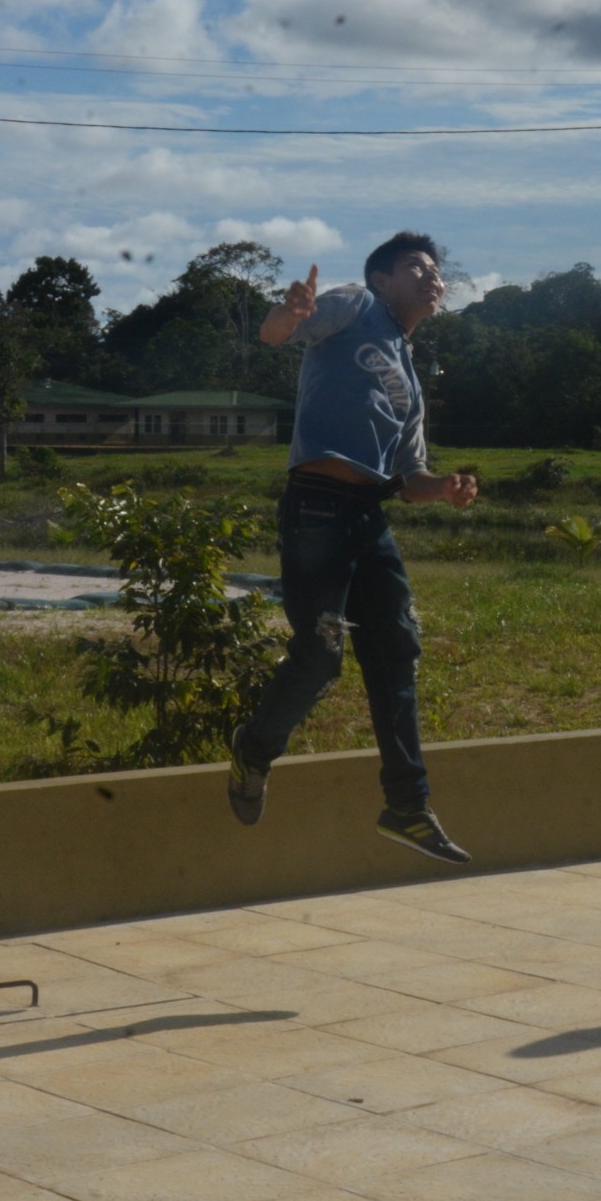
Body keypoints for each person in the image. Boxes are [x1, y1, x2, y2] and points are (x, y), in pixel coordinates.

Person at [226, 233, 479, 864]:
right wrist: (290, 311)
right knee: (321, 653)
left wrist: (443, 489)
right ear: (382, 279)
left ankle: (407, 806)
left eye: (436, 272)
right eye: (415, 267)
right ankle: (254, 749)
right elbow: (277, 335)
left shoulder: (411, 382)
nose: (432, 278)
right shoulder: (353, 304)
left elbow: (409, 478)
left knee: (396, 652)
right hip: (316, 505)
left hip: (370, 517)